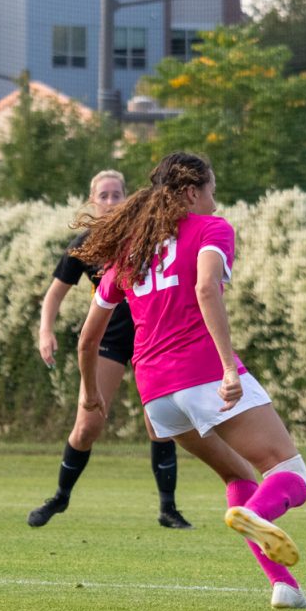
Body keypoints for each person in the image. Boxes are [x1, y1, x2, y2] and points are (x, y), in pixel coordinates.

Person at [72, 152, 306, 609]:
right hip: (202, 373)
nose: (215, 200)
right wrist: (228, 368)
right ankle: (257, 514)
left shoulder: (131, 251)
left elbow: (87, 340)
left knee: (236, 472)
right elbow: (206, 288)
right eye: (211, 190)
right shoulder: (212, 230)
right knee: (291, 474)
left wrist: (90, 394)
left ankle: (284, 586)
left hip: (156, 394)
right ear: (191, 193)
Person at [29, 170, 191, 530]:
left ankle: (168, 509)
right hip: (110, 341)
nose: (111, 200)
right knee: (87, 426)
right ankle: (60, 496)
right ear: (92, 201)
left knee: (161, 423)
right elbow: (54, 295)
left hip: (154, 339)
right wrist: (45, 331)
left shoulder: (148, 236)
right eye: (103, 195)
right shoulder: (87, 245)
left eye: (117, 194)